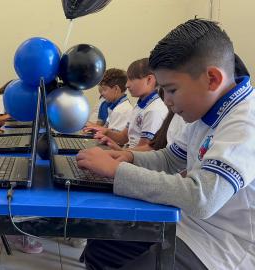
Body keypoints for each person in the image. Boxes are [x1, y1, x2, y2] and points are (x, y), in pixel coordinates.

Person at [77, 19, 255, 270]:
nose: (168, 101)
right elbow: (171, 159)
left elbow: (202, 198)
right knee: (102, 245)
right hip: (186, 226)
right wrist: (128, 158)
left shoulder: (246, 122)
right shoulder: (206, 111)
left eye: (171, 90)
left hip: (223, 248)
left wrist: (117, 172)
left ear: (212, 79)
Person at [85, 58, 168, 149]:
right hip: (131, 154)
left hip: (137, 161)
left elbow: (145, 150)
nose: (126, 85)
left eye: (131, 79)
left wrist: (118, 151)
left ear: (149, 80)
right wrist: (106, 133)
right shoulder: (139, 105)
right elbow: (123, 137)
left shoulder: (154, 110)